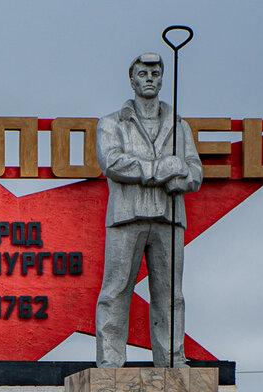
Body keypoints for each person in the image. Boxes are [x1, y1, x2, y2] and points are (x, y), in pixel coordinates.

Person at [94, 52, 203, 368]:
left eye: (155, 73)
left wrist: (181, 176)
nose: (150, 78)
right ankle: (110, 362)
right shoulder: (112, 123)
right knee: (115, 291)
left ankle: (171, 359)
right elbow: (112, 162)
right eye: (143, 73)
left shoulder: (179, 125)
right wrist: (160, 169)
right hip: (127, 216)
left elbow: (195, 170)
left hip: (168, 218)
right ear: (132, 80)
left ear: (162, 78)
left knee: (171, 296)